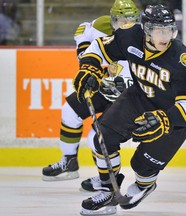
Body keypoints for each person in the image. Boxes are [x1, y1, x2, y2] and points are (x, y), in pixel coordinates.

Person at [74, 4, 186, 215]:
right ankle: (108, 191)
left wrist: (164, 121)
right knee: (102, 137)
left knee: (142, 165)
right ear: (146, 30)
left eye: (169, 30)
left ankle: (145, 185)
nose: (166, 36)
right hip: (139, 97)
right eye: (159, 30)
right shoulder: (129, 35)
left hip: (170, 115)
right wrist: (90, 68)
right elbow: (98, 48)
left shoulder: (181, 58)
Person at [42, 0, 139, 192]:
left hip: (126, 97)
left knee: (97, 137)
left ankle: (108, 180)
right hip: (104, 87)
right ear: (113, 19)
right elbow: (83, 31)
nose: (126, 24)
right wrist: (85, 56)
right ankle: (69, 162)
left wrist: (124, 79)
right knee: (69, 111)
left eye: (131, 19)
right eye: (121, 20)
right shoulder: (102, 24)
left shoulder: (143, 37)